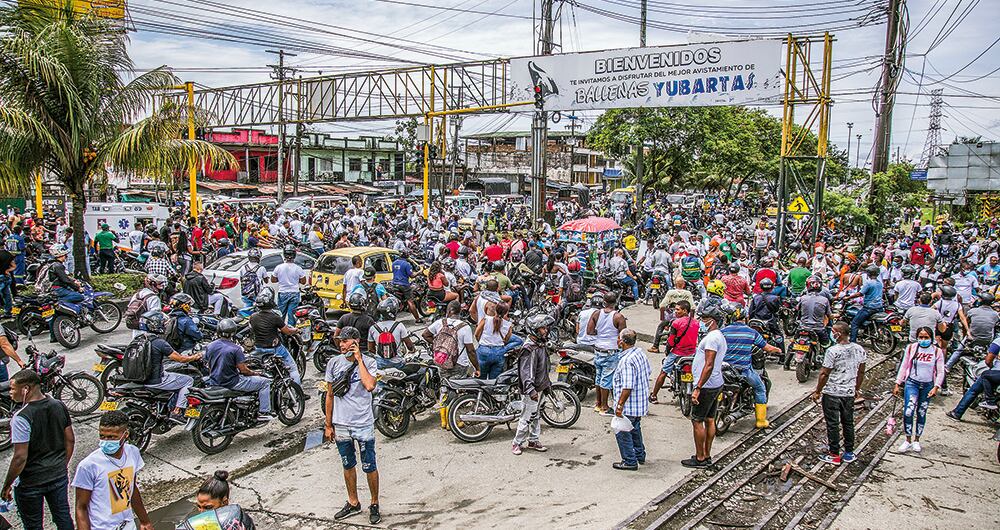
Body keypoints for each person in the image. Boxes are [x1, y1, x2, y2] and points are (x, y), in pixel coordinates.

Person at [2, 369, 75, 530]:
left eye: (13, 389)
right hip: (58, 476)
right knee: (63, 517)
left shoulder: (21, 417)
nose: (10, 393)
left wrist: (7, 485)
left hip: (31, 483)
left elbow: (20, 457)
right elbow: (70, 439)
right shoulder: (58, 405)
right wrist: (62, 465)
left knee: (33, 525)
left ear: (26, 389)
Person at [323, 326, 381, 525]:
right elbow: (329, 395)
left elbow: (369, 385)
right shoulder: (333, 363)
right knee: (348, 463)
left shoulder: (370, 362)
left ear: (355, 342)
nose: (341, 344)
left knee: (369, 465)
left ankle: (374, 503)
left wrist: (359, 360)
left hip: (363, 423)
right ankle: (353, 501)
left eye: (345, 341)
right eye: (340, 341)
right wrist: (328, 424)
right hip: (341, 424)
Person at [71, 411, 154, 530]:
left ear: (125, 434)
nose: (106, 441)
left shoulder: (133, 453)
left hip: (128, 525)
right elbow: (81, 507)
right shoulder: (88, 466)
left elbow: (132, 488)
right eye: (102, 436)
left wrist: (145, 521)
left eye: (112, 437)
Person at [811, 322, 866, 465]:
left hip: (832, 393)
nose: (831, 333)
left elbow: (824, 373)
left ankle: (834, 454)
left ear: (839, 334)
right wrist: (856, 388)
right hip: (848, 393)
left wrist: (817, 391)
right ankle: (849, 452)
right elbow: (861, 372)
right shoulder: (859, 349)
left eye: (833, 331)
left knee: (833, 424)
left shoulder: (832, 351)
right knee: (848, 423)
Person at [721, 307, 782, 428]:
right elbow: (767, 347)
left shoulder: (722, 331)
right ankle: (761, 421)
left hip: (723, 369)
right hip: (742, 371)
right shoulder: (751, 332)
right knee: (760, 388)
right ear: (745, 318)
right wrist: (778, 350)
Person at [204, 318, 272, 422]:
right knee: (265, 382)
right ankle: (263, 412)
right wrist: (256, 373)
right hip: (232, 382)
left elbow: (208, 363)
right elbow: (244, 370)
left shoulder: (210, 346)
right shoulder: (235, 349)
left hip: (214, 380)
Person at [685, 302, 727, 468]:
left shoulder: (711, 339)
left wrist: (698, 388)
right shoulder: (719, 336)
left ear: (713, 320)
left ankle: (700, 457)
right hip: (716, 382)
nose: (701, 321)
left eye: (704, 319)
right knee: (710, 419)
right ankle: (707, 454)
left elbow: (708, 365)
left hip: (707, 385)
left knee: (697, 420)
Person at [139, 311, 203, 420]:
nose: (165, 325)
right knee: (188, 380)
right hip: (156, 380)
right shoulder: (159, 342)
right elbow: (180, 359)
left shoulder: (139, 340)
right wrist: (194, 357)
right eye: (163, 323)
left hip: (141, 379)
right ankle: (177, 411)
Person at [893, 327, 945, 454]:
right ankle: (908, 439)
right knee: (908, 411)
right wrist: (898, 383)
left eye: (926, 337)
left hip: (927, 385)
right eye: (921, 337)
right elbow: (904, 365)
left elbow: (940, 371)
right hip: (912, 383)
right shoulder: (911, 348)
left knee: (921, 412)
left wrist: (936, 387)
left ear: (931, 338)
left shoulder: (937, 352)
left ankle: (917, 440)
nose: (923, 340)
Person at [511, 313, 553, 456]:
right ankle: (517, 443)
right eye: (542, 328)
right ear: (535, 330)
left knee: (536, 416)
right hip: (531, 390)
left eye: (546, 328)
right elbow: (526, 372)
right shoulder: (529, 348)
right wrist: (531, 390)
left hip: (539, 387)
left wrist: (546, 384)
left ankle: (533, 440)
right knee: (527, 417)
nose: (545, 330)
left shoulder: (540, 345)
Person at [611, 328, 652, 471]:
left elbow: (627, 386)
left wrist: (619, 405)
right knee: (635, 428)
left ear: (622, 342)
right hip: (639, 403)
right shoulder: (639, 353)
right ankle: (640, 454)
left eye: (618, 338)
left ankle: (629, 460)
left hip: (629, 405)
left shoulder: (627, 361)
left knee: (622, 431)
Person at [649, 300, 698, 403]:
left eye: (677, 309)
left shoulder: (676, 323)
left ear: (685, 311)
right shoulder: (696, 322)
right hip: (692, 353)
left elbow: (671, 341)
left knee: (663, 372)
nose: (675, 312)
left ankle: (654, 395)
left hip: (677, 353)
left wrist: (667, 351)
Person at [249, 290, 302, 385]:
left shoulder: (253, 317)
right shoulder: (275, 317)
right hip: (274, 349)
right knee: (293, 369)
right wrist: (296, 330)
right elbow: (287, 331)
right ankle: (298, 393)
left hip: (258, 349)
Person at [587, 293, 627, 415]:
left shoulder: (596, 314)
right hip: (611, 351)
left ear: (604, 301)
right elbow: (623, 336)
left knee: (598, 378)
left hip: (598, 349)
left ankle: (598, 403)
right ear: (616, 302)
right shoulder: (618, 317)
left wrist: (601, 335)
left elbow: (589, 331)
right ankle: (604, 407)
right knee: (606, 380)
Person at [179, 470, 256, 530]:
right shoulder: (199, 523)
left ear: (224, 502)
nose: (201, 512)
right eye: (199, 506)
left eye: (208, 507)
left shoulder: (236, 523)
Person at [946, 337, 1000, 420]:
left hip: (996, 373)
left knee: (974, 390)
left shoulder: (998, 341)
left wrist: (992, 368)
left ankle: (957, 413)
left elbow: (988, 361)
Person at [474, 302, 524, 380]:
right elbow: (506, 340)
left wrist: (481, 343)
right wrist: (503, 348)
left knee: (480, 380)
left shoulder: (486, 319)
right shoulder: (508, 325)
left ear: (496, 310)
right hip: (499, 353)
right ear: (506, 313)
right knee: (494, 381)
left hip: (483, 351)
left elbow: (476, 334)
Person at [367, 297, 414, 371]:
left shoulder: (373, 327)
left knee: (380, 381)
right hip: (397, 363)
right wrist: (413, 350)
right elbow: (409, 346)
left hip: (380, 363)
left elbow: (371, 349)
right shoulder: (399, 326)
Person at [271, 245, 307, 326]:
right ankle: (291, 333)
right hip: (294, 293)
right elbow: (303, 281)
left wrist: (281, 279)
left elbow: (273, 280)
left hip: (282, 293)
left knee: (281, 314)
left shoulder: (279, 267)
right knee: (292, 315)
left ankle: (280, 331)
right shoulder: (298, 268)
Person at [846, 265, 884, 343]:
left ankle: (852, 342)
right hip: (879, 307)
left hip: (869, 308)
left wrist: (848, 298)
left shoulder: (868, 283)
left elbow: (860, 294)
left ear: (868, 274)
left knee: (854, 323)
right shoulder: (879, 283)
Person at [390, 252, 423, 323]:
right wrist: (419, 272)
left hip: (394, 284)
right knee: (410, 301)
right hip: (404, 285)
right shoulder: (406, 264)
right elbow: (412, 275)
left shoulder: (394, 263)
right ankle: (417, 319)